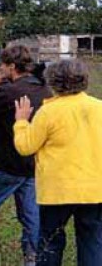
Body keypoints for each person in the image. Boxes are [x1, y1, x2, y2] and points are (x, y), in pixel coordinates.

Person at [0, 45, 52, 266]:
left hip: (8, 165)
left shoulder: (10, 91)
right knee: (32, 217)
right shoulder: (43, 88)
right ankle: (33, 259)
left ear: (11, 66)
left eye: (2, 66)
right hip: (33, 163)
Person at [14, 59, 102, 266]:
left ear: (52, 82)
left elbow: (25, 146)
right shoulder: (99, 107)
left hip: (57, 191)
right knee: (92, 242)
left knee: (50, 243)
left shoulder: (48, 112)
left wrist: (21, 122)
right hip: (94, 189)